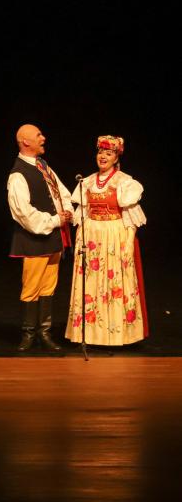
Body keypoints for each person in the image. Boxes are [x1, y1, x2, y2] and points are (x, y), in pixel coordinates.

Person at [66, 135, 148, 346]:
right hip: (93, 236)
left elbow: (131, 217)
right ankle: (93, 334)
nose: (103, 156)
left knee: (115, 284)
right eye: (100, 152)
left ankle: (116, 333)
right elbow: (81, 215)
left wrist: (129, 242)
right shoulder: (88, 182)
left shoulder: (124, 182)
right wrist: (80, 239)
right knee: (92, 283)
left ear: (116, 157)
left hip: (114, 235)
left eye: (108, 153)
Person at [7, 124, 74, 351]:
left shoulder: (43, 166)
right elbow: (23, 214)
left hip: (53, 240)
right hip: (35, 240)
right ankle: (28, 334)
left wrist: (67, 211)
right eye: (39, 135)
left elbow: (61, 192)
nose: (43, 138)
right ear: (26, 142)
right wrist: (55, 220)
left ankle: (44, 333)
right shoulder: (18, 175)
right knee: (32, 287)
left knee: (48, 287)